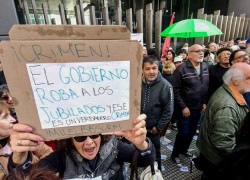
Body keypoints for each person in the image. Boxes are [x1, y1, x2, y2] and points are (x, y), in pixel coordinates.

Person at [8, 114, 155, 179]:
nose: (89, 142)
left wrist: (141, 144)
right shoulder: (62, 157)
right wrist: (18, 159)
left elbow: (145, 160)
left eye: (95, 134)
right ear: (71, 139)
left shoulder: (114, 148)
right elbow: (25, 177)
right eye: (80, 137)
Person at [197, 63, 250, 180]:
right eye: (248, 78)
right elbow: (223, 143)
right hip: (216, 162)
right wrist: (238, 162)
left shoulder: (229, 91)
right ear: (235, 81)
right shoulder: (228, 107)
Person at [171, 44, 209, 167]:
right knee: (183, 132)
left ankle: (184, 150)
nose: (201, 53)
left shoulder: (205, 66)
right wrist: (183, 107)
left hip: (199, 108)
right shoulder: (181, 69)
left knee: (192, 132)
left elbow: (205, 87)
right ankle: (175, 154)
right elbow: (175, 90)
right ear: (189, 54)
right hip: (186, 109)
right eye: (197, 51)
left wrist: (204, 102)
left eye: (202, 51)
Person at [0, 101, 53, 179]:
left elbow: (48, 153)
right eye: (5, 117)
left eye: (10, 115)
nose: (13, 120)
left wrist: (36, 172)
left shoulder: (22, 136)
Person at [141, 55, 174, 169]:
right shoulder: (138, 84)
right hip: (139, 128)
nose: (151, 72)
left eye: (154, 68)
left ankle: (156, 173)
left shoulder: (165, 85)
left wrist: (158, 127)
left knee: (154, 154)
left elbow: (168, 110)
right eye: (147, 69)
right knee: (138, 151)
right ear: (142, 70)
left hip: (153, 129)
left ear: (158, 68)